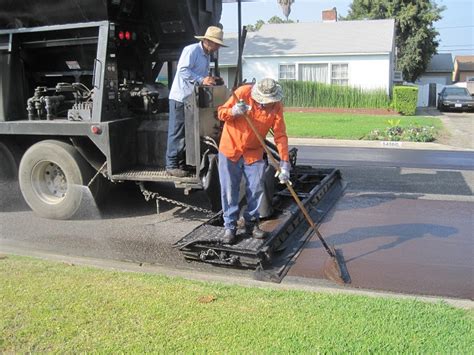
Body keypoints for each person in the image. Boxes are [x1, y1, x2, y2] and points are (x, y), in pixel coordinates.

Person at [217, 78, 291, 244]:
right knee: (229, 190)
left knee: (257, 188)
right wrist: (233, 111)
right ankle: (230, 227)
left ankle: (251, 223)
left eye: (268, 102)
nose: (265, 105)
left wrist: (284, 164)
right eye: (263, 101)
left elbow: (280, 135)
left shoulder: (276, 106)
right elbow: (221, 113)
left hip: (253, 152)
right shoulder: (243, 93)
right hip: (230, 149)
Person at [166, 26, 226, 177]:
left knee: (188, 132)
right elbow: (183, 70)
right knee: (177, 132)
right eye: (216, 43)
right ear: (207, 41)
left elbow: (201, 76)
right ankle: (171, 164)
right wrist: (202, 79)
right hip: (180, 97)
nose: (218, 47)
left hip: (192, 99)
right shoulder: (191, 50)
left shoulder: (206, 56)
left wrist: (213, 79)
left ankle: (182, 163)